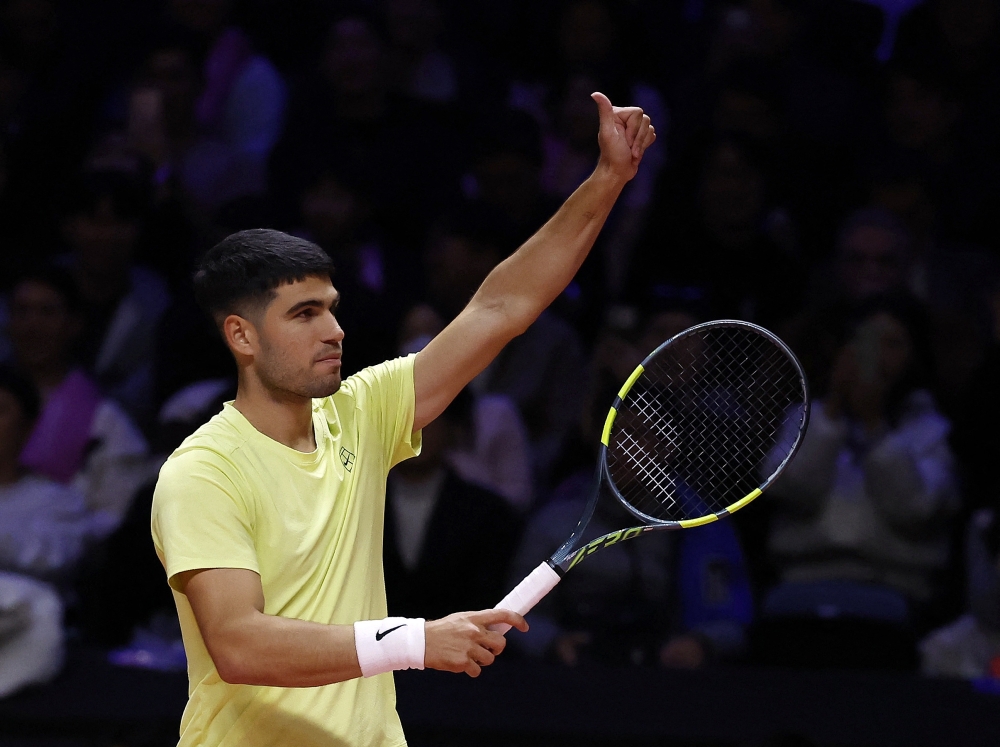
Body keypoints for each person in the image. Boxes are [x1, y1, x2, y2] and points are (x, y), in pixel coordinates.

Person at [151, 92, 655, 746]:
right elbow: (240, 643)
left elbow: (501, 306)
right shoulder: (203, 472)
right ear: (243, 337)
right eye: (305, 315)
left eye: (332, 308)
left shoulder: (361, 411)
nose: (335, 330)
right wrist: (415, 638)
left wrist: (607, 180)